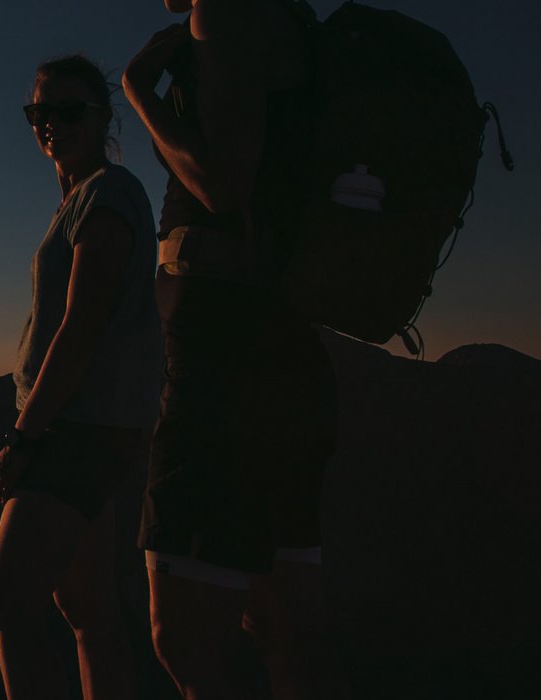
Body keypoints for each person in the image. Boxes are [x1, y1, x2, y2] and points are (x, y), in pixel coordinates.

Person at [122, 1, 347, 697]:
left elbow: (221, 184)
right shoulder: (287, 23)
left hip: (222, 348)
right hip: (283, 345)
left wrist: (138, 92)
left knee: (186, 642)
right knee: (285, 630)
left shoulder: (221, 11)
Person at [0, 54, 163, 700]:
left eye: (69, 110)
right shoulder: (84, 199)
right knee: (89, 611)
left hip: (75, 429)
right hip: (92, 425)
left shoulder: (108, 196)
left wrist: (25, 437)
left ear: (104, 117)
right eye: (40, 112)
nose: (51, 123)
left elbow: (81, 329)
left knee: (3, 602)